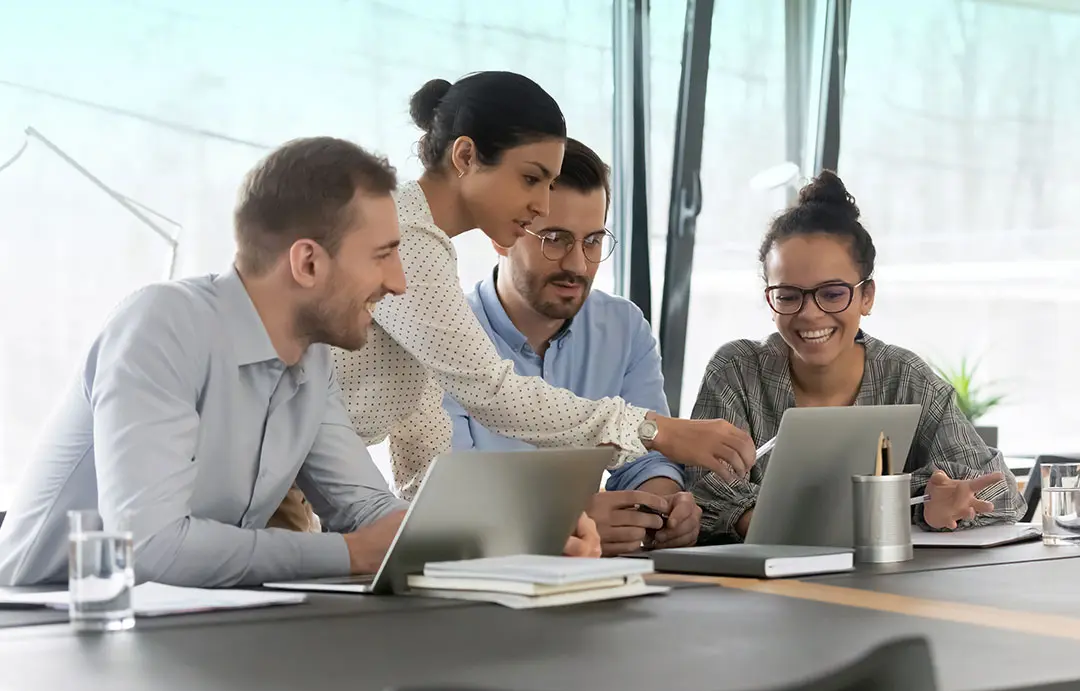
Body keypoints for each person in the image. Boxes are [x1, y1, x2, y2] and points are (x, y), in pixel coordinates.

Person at [0, 137, 599, 588]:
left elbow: (366, 510)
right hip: (42, 632)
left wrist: (513, 539)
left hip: (173, 629)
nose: (397, 283)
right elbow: (150, 545)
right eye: (385, 255)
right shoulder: (163, 326)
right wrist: (350, 554)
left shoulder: (309, 362)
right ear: (308, 264)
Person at [326, 71, 754, 504]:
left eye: (549, 184)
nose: (542, 205)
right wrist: (655, 430)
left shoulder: (427, 248)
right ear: (466, 156)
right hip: (273, 476)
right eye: (532, 179)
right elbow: (492, 392)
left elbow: (423, 439)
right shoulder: (406, 238)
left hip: (306, 479)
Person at [687, 170, 1026, 544]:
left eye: (832, 294)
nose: (810, 314)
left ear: (867, 297)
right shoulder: (737, 371)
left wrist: (936, 501)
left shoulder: (905, 377)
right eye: (787, 295)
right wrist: (896, 499)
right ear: (770, 299)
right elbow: (703, 491)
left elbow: (1001, 491)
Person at [443, 138, 701, 556]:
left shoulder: (624, 328)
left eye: (593, 240)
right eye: (555, 239)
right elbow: (448, 496)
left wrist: (661, 508)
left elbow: (644, 458)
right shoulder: (447, 334)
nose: (578, 265)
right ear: (502, 236)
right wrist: (566, 520)